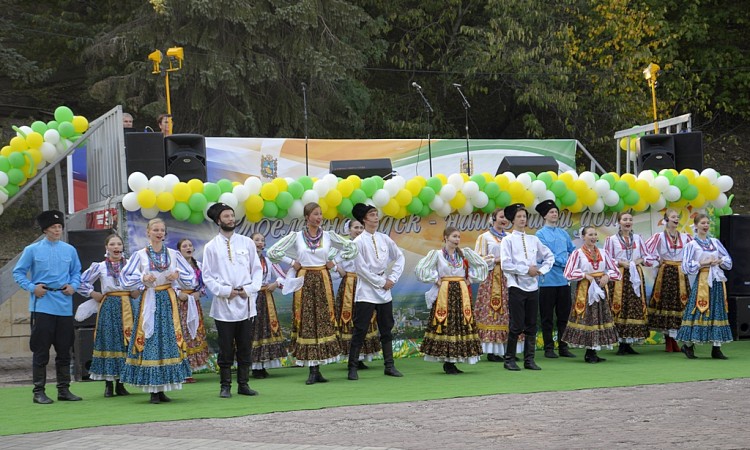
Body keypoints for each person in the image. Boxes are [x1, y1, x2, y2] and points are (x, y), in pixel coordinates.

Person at [268, 202, 357, 385]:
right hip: (305, 279)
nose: (319, 217)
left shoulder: (329, 236)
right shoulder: (297, 237)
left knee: (323, 320)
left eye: (320, 214)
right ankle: (311, 369)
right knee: (307, 320)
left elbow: (352, 248)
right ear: (307, 217)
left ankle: (318, 369)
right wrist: (292, 263)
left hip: (323, 278)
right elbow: (272, 252)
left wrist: (334, 260)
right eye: (315, 214)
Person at [120, 218, 196, 404]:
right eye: (155, 230)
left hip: (168, 299)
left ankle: (163, 388)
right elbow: (124, 277)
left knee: (168, 339)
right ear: (148, 232)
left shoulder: (173, 254)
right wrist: (142, 277)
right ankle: (153, 389)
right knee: (151, 339)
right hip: (150, 300)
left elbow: (191, 277)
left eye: (162, 230)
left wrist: (177, 276)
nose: (159, 233)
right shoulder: (140, 255)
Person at [13, 210, 83, 404]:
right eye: (53, 228)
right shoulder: (32, 250)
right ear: (45, 230)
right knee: (41, 350)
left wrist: (73, 286)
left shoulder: (69, 250)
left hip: (64, 305)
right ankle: (38, 391)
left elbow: (77, 272)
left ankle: (64, 389)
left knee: (64, 350)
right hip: (42, 305)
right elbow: (18, 273)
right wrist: (32, 287)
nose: (57, 230)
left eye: (59, 227)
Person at [202, 203, 263, 398]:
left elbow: (257, 270)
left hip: (245, 303)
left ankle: (243, 384)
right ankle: (225, 385)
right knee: (226, 348)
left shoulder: (246, 242)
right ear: (219, 220)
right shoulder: (211, 246)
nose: (230, 219)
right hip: (224, 305)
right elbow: (208, 276)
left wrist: (249, 289)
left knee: (245, 346)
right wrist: (225, 291)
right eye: (226, 216)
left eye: (232, 216)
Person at [415, 226, 487, 374]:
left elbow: (482, 265)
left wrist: (470, 279)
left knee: (460, 324)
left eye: (458, 237)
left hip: (461, 293)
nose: (457, 240)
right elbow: (421, 269)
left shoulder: (464, 254)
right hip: (445, 293)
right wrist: (435, 279)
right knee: (446, 324)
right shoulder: (437, 255)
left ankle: (455, 359)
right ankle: (447, 361)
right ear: (446, 238)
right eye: (454, 237)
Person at [347, 204, 406, 381]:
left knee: (386, 327)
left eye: (376, 214)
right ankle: (352, 367)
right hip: (366, 290)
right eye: (372, 215)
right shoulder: (358, 242)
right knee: (360, 329)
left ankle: (389, 365)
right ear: (364, 219)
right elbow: (361, 268)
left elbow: (399, 256)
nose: (375, 217)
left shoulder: (384, 238)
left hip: (384, 290)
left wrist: (392, 278)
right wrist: (382, 282)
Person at [78, 234, 138, 397]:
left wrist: (137, 290)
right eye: (112, 244)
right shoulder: (100, 266)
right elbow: (80, 281)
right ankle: (108, 385)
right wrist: (92, 293)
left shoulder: (131, 265)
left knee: (126, 342)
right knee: (109, 341)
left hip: (128, 305)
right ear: (107, 248)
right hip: (110, 305)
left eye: (119, 244)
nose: (116, 247)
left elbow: (140, 282)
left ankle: (121, 384)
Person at [499, 203, 554, 371]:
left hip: (532, 287)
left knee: (531, 324)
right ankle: (509, 359)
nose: (522, 219)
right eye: (519, 217)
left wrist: (540, 271)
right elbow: (505, 264)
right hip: (516, 285)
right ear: (512, 220)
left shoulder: (533, 239)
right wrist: (526, 270)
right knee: (516, 324)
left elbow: (549, 256)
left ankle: (529, 360)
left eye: (524, 216)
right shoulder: (507, 240)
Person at [676, 213, 733, 359]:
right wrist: (703, 263)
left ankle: (716, 347)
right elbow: (686, 266)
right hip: (702, 280)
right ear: (696, 226)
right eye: (702, 223)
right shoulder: (692, 245)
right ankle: (688, 346)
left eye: (707, 223)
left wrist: (719, 261)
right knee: (699, 311)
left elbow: (728, 261)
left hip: (716, 280)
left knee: (717, 311)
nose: (706, 225)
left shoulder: (714, 242)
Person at [561, 226, 621, 363]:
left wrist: (607, 276)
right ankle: (589, 352)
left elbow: (616, 272)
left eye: (595, 234)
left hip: (600, 289)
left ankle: (593, 351)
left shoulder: (603, 252)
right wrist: (584, 275)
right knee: (588, 318)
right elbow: (567, 273)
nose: (593, 237)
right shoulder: (577, 253)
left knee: (599, 318)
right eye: (590, 234)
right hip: (586, 289)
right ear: (583, 237)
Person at [604, 211, 655, 355]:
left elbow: (647, 257)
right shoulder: (612, 239)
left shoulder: (638, 238)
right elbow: (607, 258)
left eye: (630, 219)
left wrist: (638, 261)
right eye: (624, 219)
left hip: (635, 276)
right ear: (619, 222)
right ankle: (620, 342)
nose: (627, 222)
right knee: (620, 306)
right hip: (619, 275)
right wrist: (620, 262)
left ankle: (629, 342)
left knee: (634, 305)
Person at [335, 218, 381, 370]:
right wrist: (338, 269)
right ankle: (352, 357)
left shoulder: (367, 244)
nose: (359, 230)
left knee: (365, 319)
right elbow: (331, 259)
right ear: (349, 230)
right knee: (349, 318)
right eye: (356, 227)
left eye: (361, 227)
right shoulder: (344, 245)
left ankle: (361, 357)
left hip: (365, 283)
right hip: (349, 284)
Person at [644, 209, 693, 352]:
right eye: (673, 217)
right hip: (665, 273)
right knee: (666, 303)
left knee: (680, 303)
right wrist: (656, 261)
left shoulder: (686, 237)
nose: (676, 219)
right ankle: (668, 340)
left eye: (677, 217)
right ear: (666, 220)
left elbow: (694, 252)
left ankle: (676, 339)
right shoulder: (659, 237)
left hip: (680, 273)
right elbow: (645, 251)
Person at [535, 199, 577, 358]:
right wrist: (565, 262)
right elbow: (547, 254)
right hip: (548, 280)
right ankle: (548, 348)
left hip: (564, 280)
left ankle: (564, 347)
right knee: (547, 316)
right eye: (551, 212)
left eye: (556, 212)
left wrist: (573, 262)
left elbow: (573, 250)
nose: (554, 214)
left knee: (564, 315)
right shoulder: (540, 234)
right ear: (545, 215)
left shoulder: (563, 233)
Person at [473, 208, 512, 362]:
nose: (504, 220)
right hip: (491, 278)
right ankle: (491, 350)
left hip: (508, 278)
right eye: (501, 217)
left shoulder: (509, 237)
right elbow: (478, 258)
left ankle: (508, 348)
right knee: (491, 311)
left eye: (506, 217)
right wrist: (495, 260)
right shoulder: (484, 237)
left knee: (508, 311)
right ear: (494, 218)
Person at [250, 232, 287, 379]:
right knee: (253, 330)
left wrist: (275, 283)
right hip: (251, 298)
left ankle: (263, 364)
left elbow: (283, 277)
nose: (259, 242)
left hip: (265, 298)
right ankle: (253, 366)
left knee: (266, 329)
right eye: (256, 240)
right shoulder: (246, 259)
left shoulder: (269, 260)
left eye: (262, 240)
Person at [175, 239, 211, 382]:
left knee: (194, 333)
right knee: (181, 333)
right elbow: (170, 283)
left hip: (193, 303)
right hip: (180, 303)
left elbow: (204, 284)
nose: (188, 248)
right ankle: (181, 369)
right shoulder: (175, 266)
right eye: (184, 246)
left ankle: (190, 368)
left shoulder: (199, 266)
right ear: (179, 250)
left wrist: (199, 293)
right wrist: (179, 294)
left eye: (190, 245)